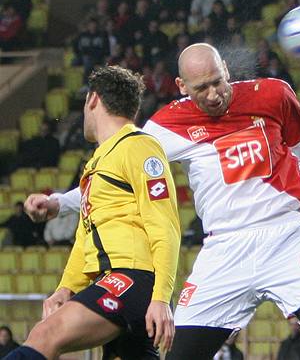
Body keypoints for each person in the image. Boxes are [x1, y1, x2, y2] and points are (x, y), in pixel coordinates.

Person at [25, 44, 300, 360]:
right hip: (223, 251)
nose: (215, 94)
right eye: (202, 88)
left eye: (218, 82)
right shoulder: (167, 126)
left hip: (287, 236)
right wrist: (59, 203)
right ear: (182, 86)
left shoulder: (274, 95)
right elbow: (118, 174)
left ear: (227, 71)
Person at [12, 66, 181, 360]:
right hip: (116, 279)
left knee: (46, 334)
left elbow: (165, 227)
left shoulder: (139, 146)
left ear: (92, 99)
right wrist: (66, 287)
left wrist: (161, 298)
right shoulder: (100, 162)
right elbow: (86, 236)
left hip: (132, 279)